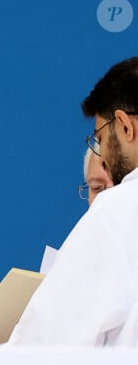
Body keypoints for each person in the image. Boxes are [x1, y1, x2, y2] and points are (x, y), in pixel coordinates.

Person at [8, 57, 138, 346]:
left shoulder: (117, 210)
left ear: (125, 127)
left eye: (100, 138)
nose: (102, 154)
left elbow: (43, 349)